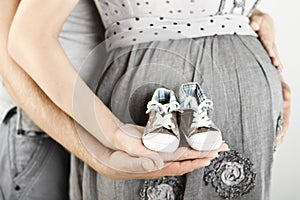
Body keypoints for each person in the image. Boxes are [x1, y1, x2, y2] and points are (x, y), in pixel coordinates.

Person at [0, 0, 290, 199]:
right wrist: (102, 149)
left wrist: (246, 21)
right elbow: (13, 51)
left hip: (102, 114)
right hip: (48, 127)